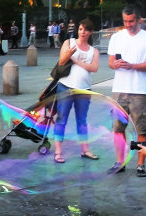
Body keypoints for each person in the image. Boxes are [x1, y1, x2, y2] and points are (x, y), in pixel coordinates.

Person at [107, 5, 146, 177]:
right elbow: (110, 62)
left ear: (138, 20)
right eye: (125, 21)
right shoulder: (116, 37)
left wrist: (132, 66)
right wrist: (116, 64)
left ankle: (140, 164)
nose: (128, 24)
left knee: (141, 129)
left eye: (131, 21)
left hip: (139, 90)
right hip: (119, 89)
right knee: (118, 128)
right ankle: (120, 162)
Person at [53, 19, 100, 163]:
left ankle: (85, 150)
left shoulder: (94, 51)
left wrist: (77, 61)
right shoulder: (69, 42)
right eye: (80, 29)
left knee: (82, 121)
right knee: (61, 119)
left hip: (84, 90)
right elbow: (61, 62)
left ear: (90, 32)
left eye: (86, 30)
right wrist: (69, 54)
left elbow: (94, 68)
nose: (83, 32)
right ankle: (58, 152)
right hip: (66, 86)